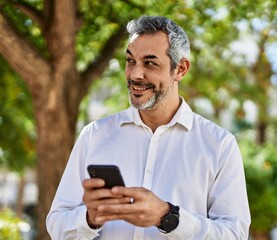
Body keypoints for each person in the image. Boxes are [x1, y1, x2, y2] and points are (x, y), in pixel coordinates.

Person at [46, 16, 251, 240]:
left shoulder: (220, 145)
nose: (135, 74)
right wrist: (90, 218)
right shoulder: (94, 135)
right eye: (130, 60)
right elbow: (57, 223)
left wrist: (167, 217)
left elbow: (235, 234)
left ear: (180, 69)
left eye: (150, 63)